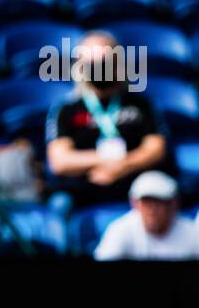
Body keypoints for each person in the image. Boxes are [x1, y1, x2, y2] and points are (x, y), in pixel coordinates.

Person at [45, 30, 171, 207]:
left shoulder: (141, 103)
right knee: (60, 203)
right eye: (92, 62)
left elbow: (156, 149)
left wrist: (124, 167)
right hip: (83, 186)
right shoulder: (66, 108)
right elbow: (60, 160)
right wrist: (109, 161)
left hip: (136, 183)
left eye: (105, 61)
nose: (99, 68)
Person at [94, 170, 199, 260]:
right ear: (135, 204)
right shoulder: (120, 230)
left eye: (159, 202)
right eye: (146, 202)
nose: (152, 209)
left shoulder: (193, 232)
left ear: (173, 204)